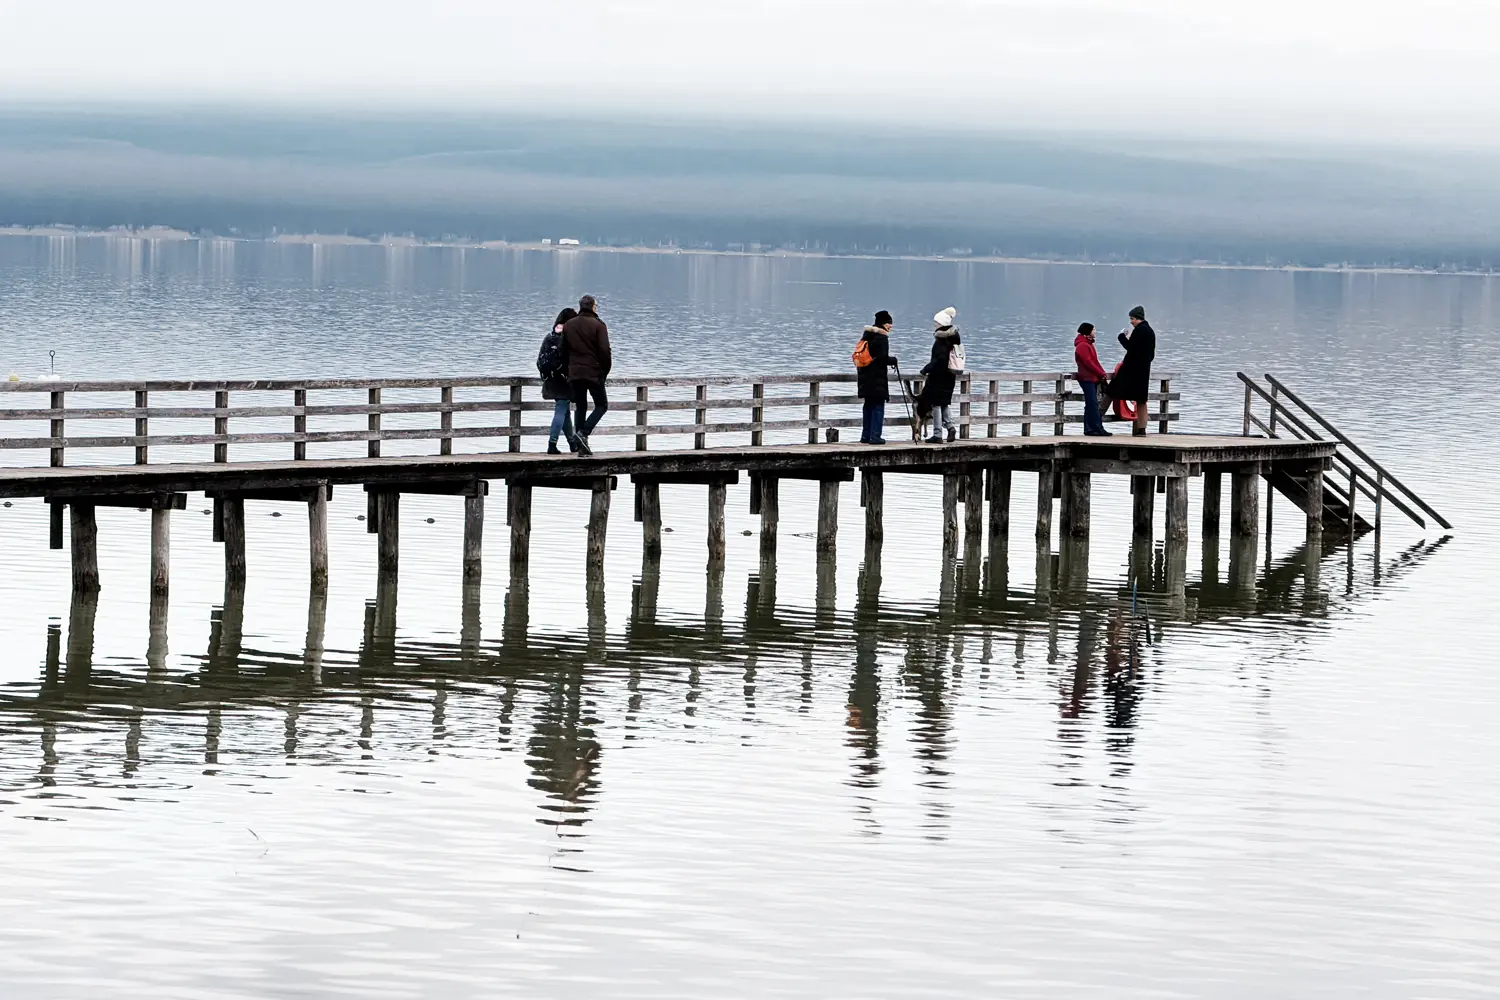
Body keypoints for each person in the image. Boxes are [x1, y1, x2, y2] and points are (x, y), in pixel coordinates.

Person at [562, 294, 611, 454]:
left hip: (575, 373)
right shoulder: (598, 325)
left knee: (580, 406)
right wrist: (604, 372)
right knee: (601, 405)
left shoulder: (569, 325)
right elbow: (605, 351)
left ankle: (581, 446)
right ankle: (583, 434)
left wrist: (568, 371)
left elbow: (563, 351)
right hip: (594, 372)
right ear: (593, 307)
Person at [539, 307, 584, 454]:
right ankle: (552, 444)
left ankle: (572, 444)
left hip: (550, 379)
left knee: (564, 412)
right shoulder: (568, 337)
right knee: (561, 410)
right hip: (564, 380)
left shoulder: (550, 336)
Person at [1110, 305, 1156, 436]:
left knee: (1112, 391)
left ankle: (1097, 421)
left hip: (1130, 370)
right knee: (1141, 400)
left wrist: (1121, 337)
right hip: (1143, 370)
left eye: (1132, 319)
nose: (1131, 322)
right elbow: (1151, 354)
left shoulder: (1139, 331)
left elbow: (1131, 348)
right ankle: (1142, 429)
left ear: (1138, 318)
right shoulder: (1150, 332)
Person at [918, 307, 961, 444]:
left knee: (936, 404)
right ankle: (950, 426)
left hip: (939, 377)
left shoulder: (941, 340)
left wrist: (925, 369)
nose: (935, 324)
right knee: (944, 403)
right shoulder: (953, 339)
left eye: (936, 322)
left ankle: (937, 434)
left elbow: (938, 361)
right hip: (950, 376)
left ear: (942, 324)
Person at [856, 310, 899, 444]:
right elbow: (882, 358)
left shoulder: (867, 337)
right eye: (888, 323)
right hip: (877, 378)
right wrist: (893, 360)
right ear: (882, 324)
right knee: (878, 406)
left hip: (864, 377)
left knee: (868, 405)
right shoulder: (882, 338)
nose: (890, 326)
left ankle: (865, 436)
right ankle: (875, 437)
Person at [1073, 322, 1110, 436]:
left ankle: (1090, 428)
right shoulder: (1083, 346)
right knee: (1092, 404)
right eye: (1093, 330)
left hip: (1092, 378)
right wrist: (1100, 373)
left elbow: (1095, 361)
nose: (1095, 332)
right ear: (1088, 331)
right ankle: (1096, 428)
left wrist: (1101, 372)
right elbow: (1088, 363)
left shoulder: (1088, 344)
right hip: (1086, 378)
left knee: (1091, 404)